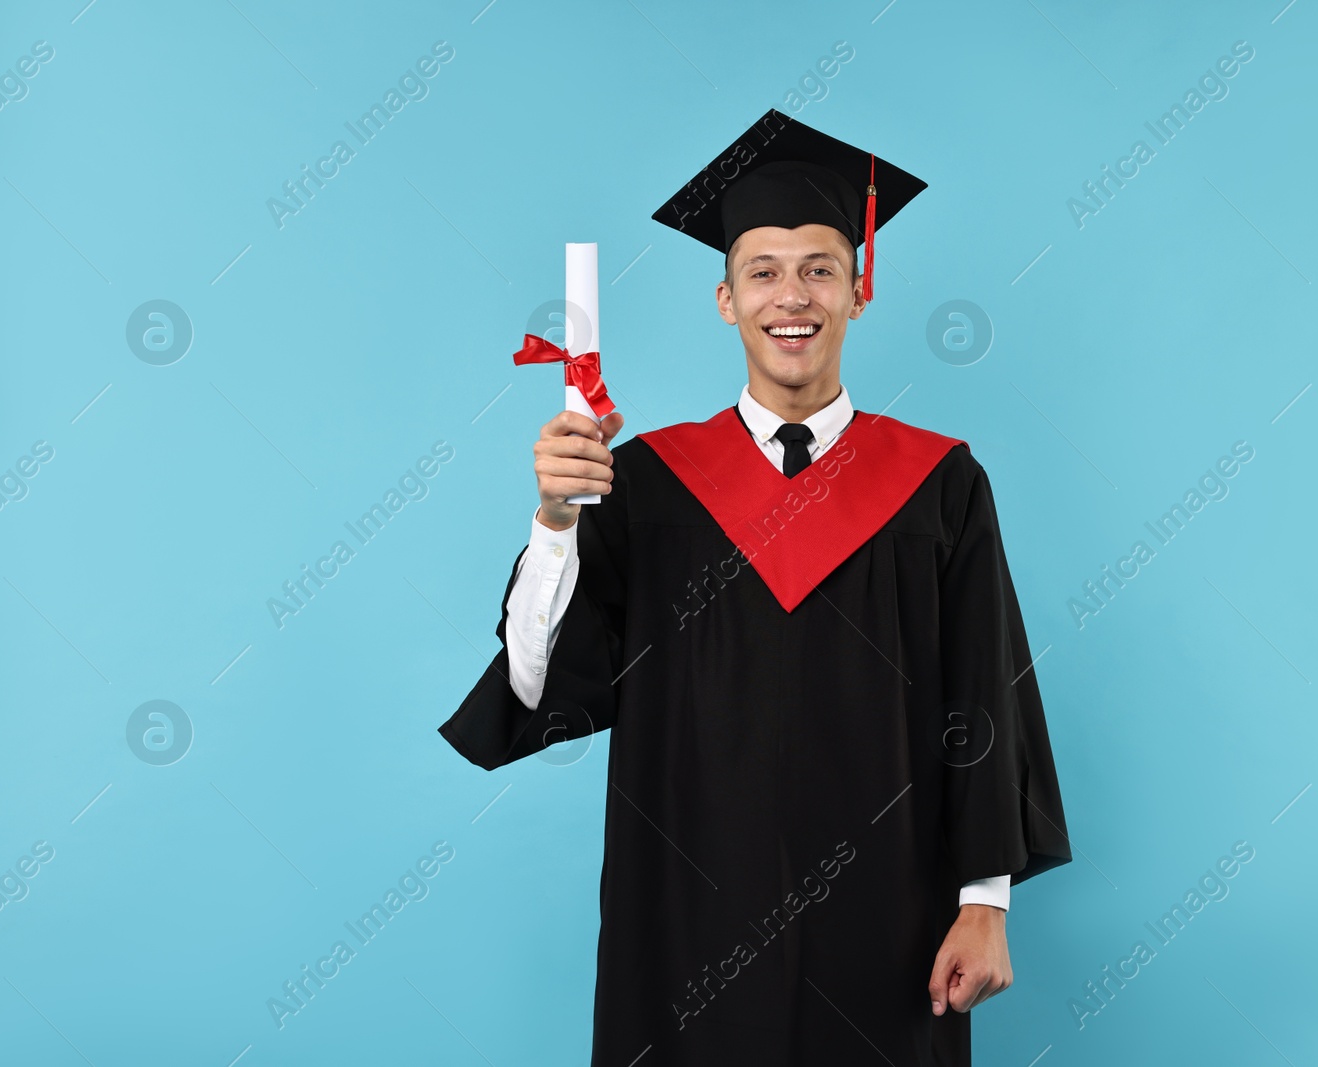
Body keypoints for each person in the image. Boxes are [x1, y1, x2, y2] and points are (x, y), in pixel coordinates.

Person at [438, 108, 1072, 1066]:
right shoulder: (648, 485)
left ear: (859, 292)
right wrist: (556, 520)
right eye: (763, 270)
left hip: (890, 920)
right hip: (687, 927)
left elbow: (982, 694)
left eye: (820, 267)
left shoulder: (939, 485)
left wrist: (985, 903)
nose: (794, 295)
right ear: (726, 298)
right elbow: (538, 684)